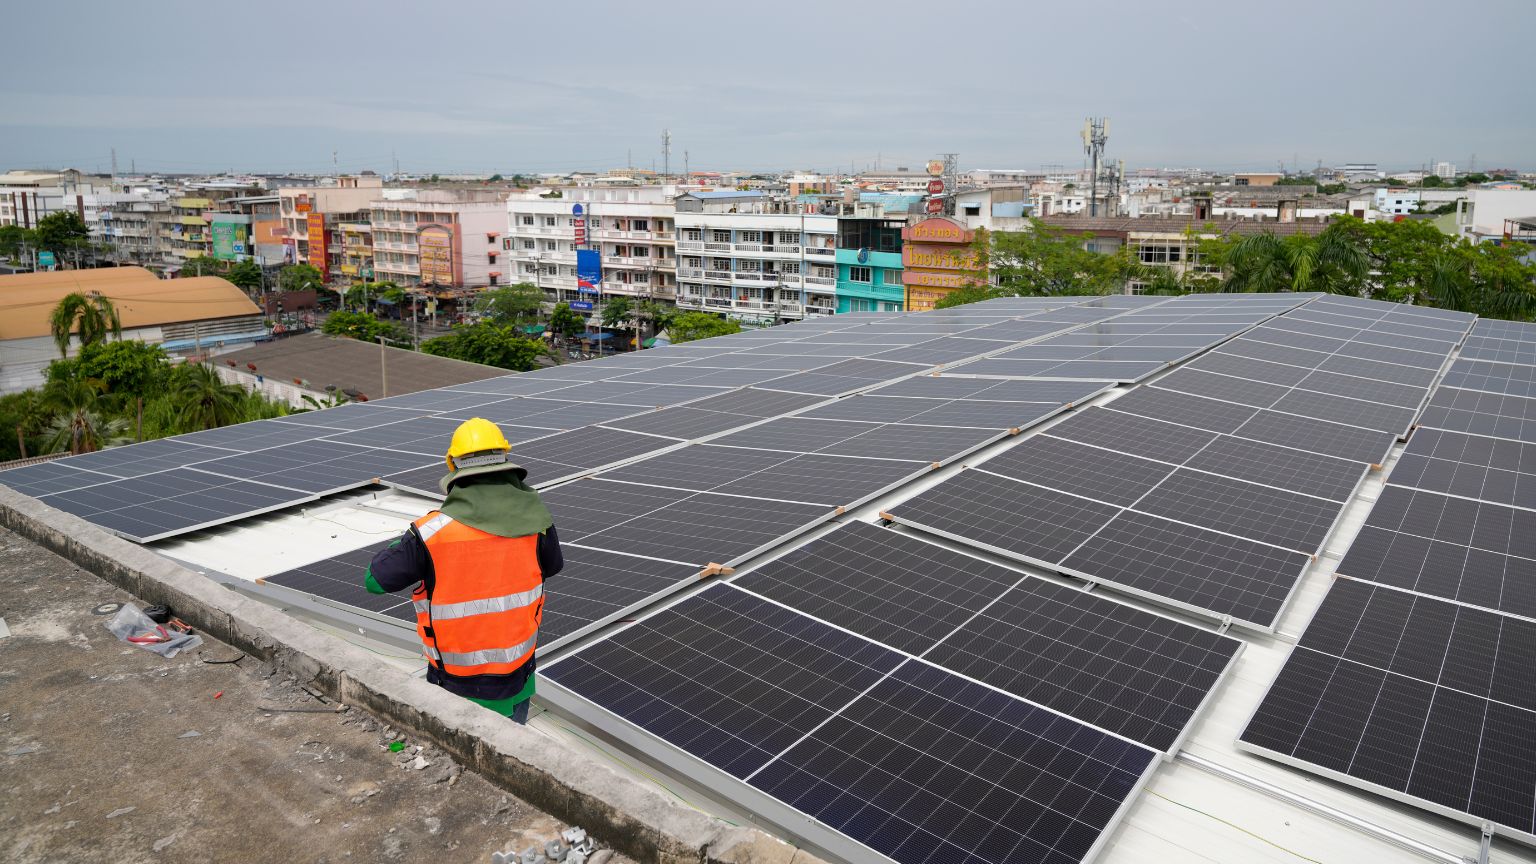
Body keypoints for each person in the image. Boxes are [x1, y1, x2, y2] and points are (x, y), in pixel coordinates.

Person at [364, 418, 562, 724]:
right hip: (519, 677)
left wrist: (405, 542)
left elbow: (375, 581)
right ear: (506, 464)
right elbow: (554, 566)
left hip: (456, 685)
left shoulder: (430, 533)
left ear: (454, 469)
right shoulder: (539, 523)